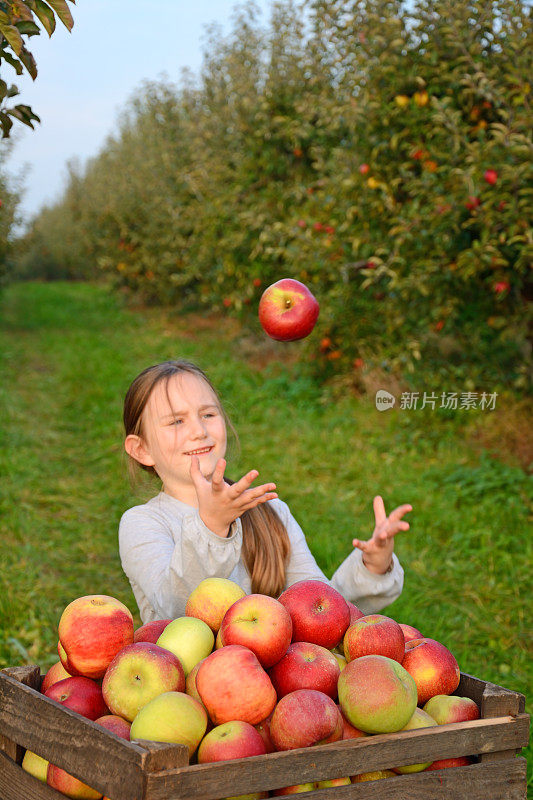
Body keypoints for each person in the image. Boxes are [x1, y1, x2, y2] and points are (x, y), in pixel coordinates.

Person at [119, 359, 412, 624]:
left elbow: (318, 603)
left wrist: (371, 567)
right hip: (188, 680)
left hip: (280, 679)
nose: (199, 430)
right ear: (142, 449)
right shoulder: (143, 524)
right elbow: (176, 609)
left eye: (208, 414)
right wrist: (212, 527)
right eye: (176, 421)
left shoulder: (269, 510)